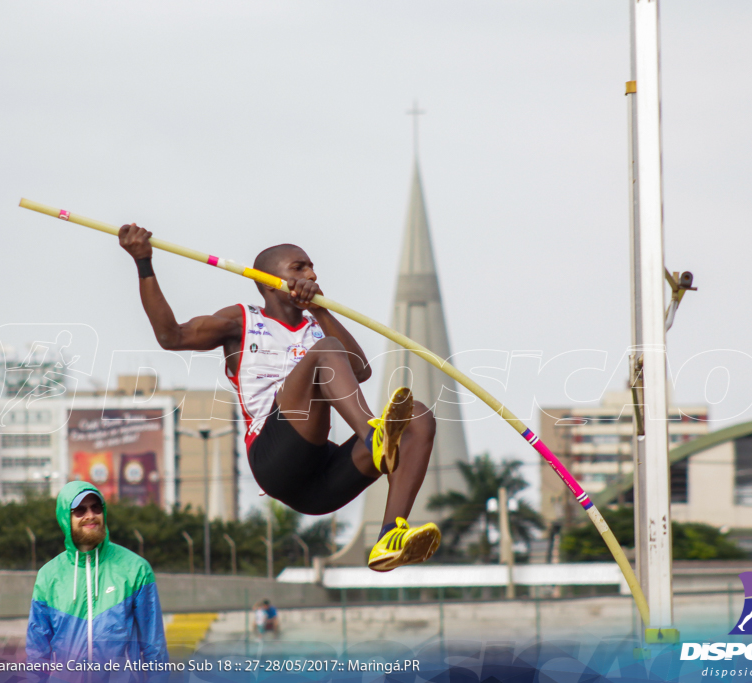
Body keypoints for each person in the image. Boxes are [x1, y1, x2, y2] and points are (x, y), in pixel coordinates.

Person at [118, 224, 441, 571]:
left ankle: (389, 536)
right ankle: (374, 437)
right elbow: (171, 336)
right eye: (299, 267)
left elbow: (360, 371)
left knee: (419, 417)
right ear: (269, 280)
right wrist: (143, 262)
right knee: (326, 352)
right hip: (274, 458)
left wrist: (320, 310)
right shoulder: (241, 320)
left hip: (320, 483)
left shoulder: (318, 326)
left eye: (312, 267)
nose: (312, 274)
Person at [26, 482, 168, 672]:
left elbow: (154, 648)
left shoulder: (136, 569)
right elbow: (37, 655)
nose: (90, 515)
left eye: (96, 507)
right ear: (65, 518)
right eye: (80, 510)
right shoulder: (48, 576)